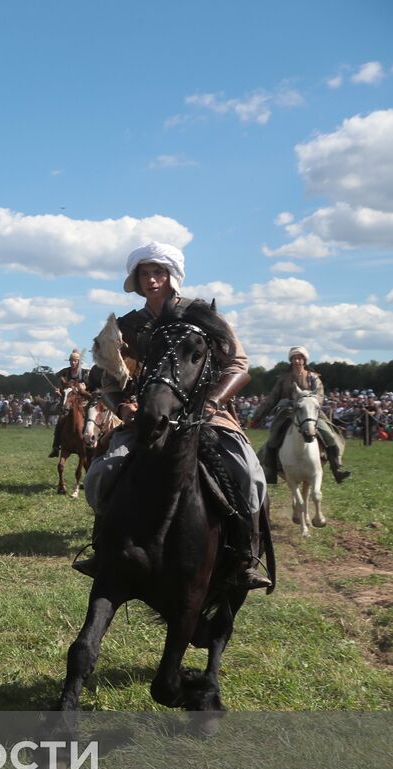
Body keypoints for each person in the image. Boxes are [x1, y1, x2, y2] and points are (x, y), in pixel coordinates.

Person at [76, 242, 270, 590]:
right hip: (145, 419)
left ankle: (245, 557)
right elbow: (108, 381)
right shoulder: (123, 327)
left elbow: (238, 365)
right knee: (102, 475)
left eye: (158, 272)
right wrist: (122, 407)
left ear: (171, 276)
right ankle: (104, 548)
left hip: (204, 416)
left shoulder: (201, 315)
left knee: (248, 474)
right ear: (135, 279)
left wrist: (212, 402)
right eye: (145, 273)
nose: (152, 280)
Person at [249, 346, 351, 484]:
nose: (297, 361)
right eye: (294, 358)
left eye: (300, 358)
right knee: (272, 439)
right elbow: (271, 399)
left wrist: (309, 401)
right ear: (291, 360)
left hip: (311, 412)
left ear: (304, 360)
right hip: (288, 412)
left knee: (329, 435)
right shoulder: (284, 379)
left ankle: (337, 469)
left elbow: (320, 395)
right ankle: (271, 472)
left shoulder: (313, 377)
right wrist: (257, 417)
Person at [47, 349, 88, 458]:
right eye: (71, 361)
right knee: (60, 422)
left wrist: (84, 388)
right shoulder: (65, 372)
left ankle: (91, 445)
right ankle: (56, 447)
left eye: (75, 361)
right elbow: (61, 386)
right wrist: (58, 391)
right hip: (68, 402)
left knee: (91, 420)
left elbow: (90, 387)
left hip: (82, 402)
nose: (72, 363)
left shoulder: (84, 373)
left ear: (78, 362)